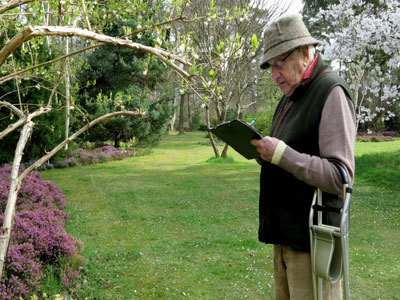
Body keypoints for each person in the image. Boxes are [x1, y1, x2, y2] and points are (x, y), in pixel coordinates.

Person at [250, 14, 356, 300]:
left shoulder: (330, 92)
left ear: (305, 52)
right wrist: (263, 152)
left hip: (312, 242)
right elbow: (288, 152)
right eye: (271, 66)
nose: (274, 74)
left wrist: (281, 154)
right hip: (285, 235)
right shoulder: (292, 94)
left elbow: (340, 176)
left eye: (279, 63)